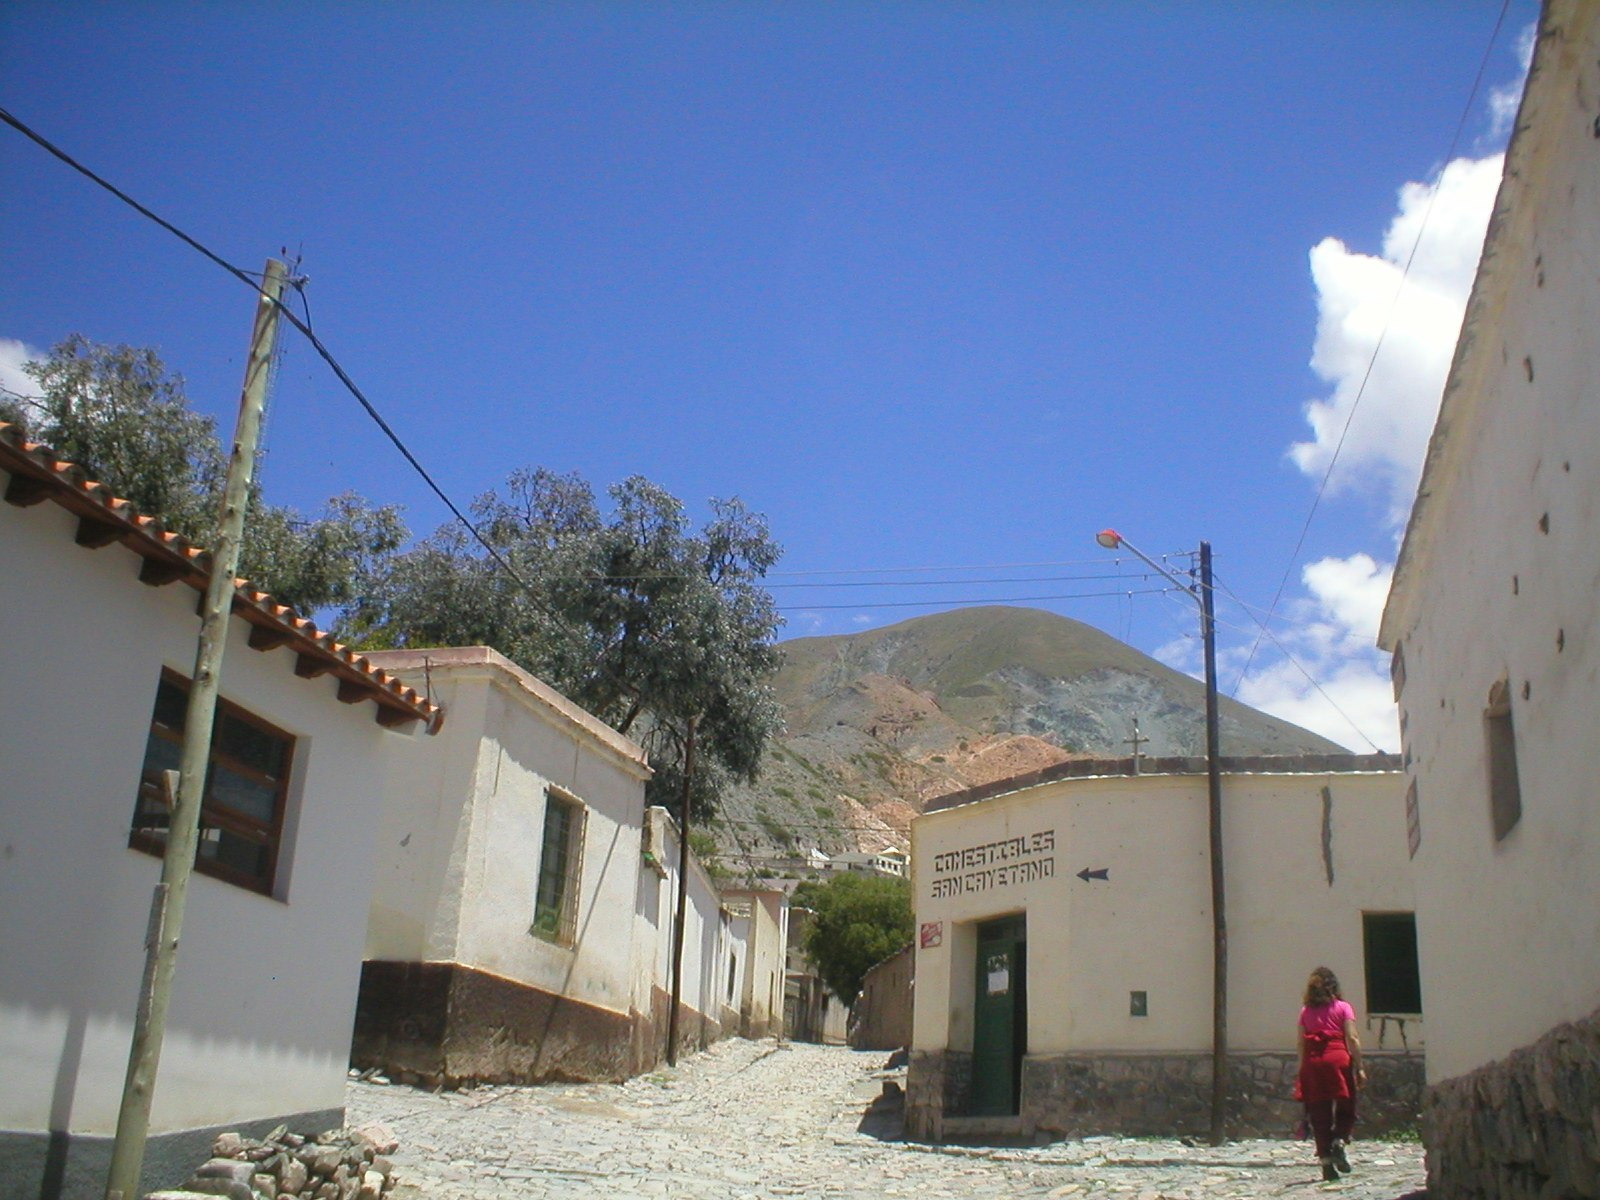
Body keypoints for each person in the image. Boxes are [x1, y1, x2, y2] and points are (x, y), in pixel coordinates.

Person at [1297, 966, 1366, 1182]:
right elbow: (1352, 1038)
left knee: (1319, 1112)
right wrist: (1360, 1065)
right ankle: (1339, 1139)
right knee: (1347, 1104)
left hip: (1313, 1062)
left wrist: (1302, 1069)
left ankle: (1326, 1164)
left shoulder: (1305, 1012)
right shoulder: (1343, 1008)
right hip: (1338, 1060)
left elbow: (1300, 1043)